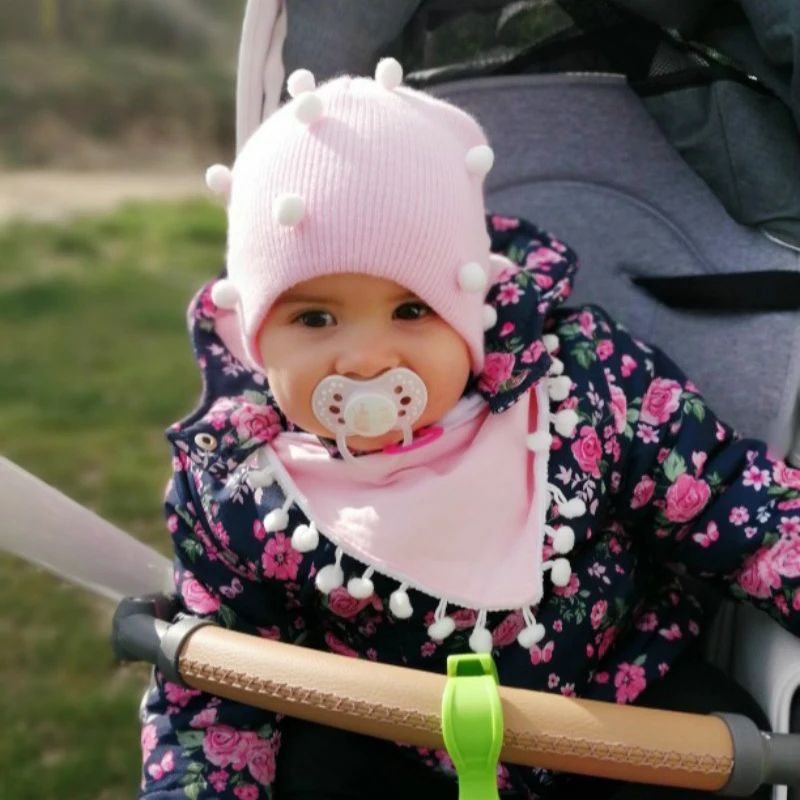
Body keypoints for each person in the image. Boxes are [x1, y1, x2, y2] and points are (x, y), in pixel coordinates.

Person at [138, 60, 800, 799]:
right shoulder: (241, 487)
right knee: (310, 768)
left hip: (621, 700)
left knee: (721, 743)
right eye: (315, 318)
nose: (366, 358)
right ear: (257, 339)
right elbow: (218, 689)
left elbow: (733, 500)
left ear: (467, 308)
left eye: (411, 310)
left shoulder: (579, 384)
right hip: (401, 741)